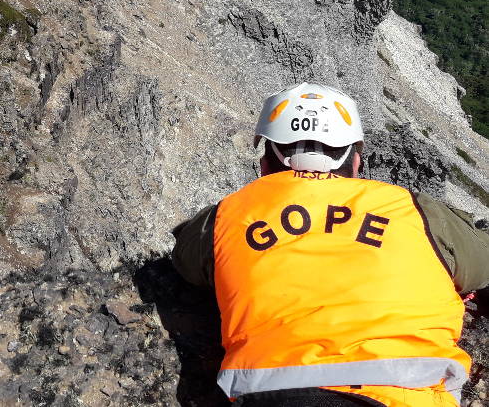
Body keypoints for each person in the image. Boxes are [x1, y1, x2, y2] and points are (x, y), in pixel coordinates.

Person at [172, 82, 489, 407]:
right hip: (406, 396)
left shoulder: (226, 216)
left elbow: (186, 259)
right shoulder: (414, 209)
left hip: (267, 395)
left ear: (265, 165)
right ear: (355, 161)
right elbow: (481, 264)